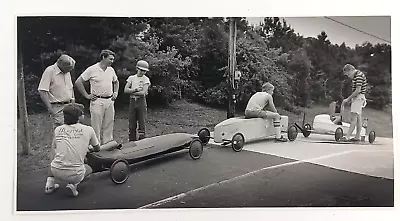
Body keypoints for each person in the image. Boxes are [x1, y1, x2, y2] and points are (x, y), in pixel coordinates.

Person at [44, 103, 100, 197]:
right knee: (89, 169)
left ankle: (49, 184)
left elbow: (55, 148)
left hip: (55, 170)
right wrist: (88, 148)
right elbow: (97, 148)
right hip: (75, 174)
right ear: (79, 117)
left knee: (54, 153)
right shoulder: (88, 129)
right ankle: (73, 185)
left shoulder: (58, 129)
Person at [75, 49, 119, 145]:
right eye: (110, 59)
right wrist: (87, 95)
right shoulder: (92, 69)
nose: (112, 61)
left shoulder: (111, 70)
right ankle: (96, 146)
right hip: (97, 101)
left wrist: (115, 92)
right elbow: (78, 82)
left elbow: (116, 82)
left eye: (113, 59)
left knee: (109, 124)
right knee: (96, 125)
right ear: (103, 57)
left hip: (109, 100)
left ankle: (108, 144)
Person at [38, 54, 76, 158]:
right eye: (68, 68)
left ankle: (67, 160)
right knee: (59, 136)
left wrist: (73, 101)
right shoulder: (50, 71)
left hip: (69, 107)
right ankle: (54, 163)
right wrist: (50, 109)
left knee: (71, 135)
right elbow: (42, 90)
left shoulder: (67, 72)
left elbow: (70, 88)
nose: (69, 71)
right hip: (57, 108)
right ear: (60, 64)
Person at [339, 64, 368, 142]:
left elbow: (358, 90)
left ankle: (347, 136)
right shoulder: (357, 75)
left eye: (348, 74)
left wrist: (348, 99)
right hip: (359, 97)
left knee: (353, 117)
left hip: (359, 97)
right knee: (358, 118)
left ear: (351, 70)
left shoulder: (358, 76)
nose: (348, 76)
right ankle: (357, 136)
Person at [124, 60, 151, 141]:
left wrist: (132, 91)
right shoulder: (131, 78)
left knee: (141, 121)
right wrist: (135, 90)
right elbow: (125, 90)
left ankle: (141, 140)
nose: (142, 72)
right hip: (132, 101)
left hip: (141, 101)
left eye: (144, 71)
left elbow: (143, 93)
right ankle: (131, 140)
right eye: (141, 70)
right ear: (137, 68)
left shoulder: (146, 79)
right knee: (132, 122)